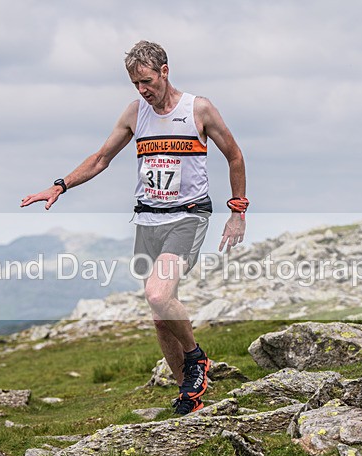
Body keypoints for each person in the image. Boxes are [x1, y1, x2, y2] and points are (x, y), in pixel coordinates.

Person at [21, 40, 248, 415]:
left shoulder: (198, 109)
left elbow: (234, 154)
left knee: (159, 295)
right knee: (160, 317)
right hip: (147, 220)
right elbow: (100, 159)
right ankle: (188, 396)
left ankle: (197, 359)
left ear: (164, 71)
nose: (143, 90)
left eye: (147, 81)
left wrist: (237, 210)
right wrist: (59, 186)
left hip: (187, 217)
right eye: (135, 84)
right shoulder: (134, 113)